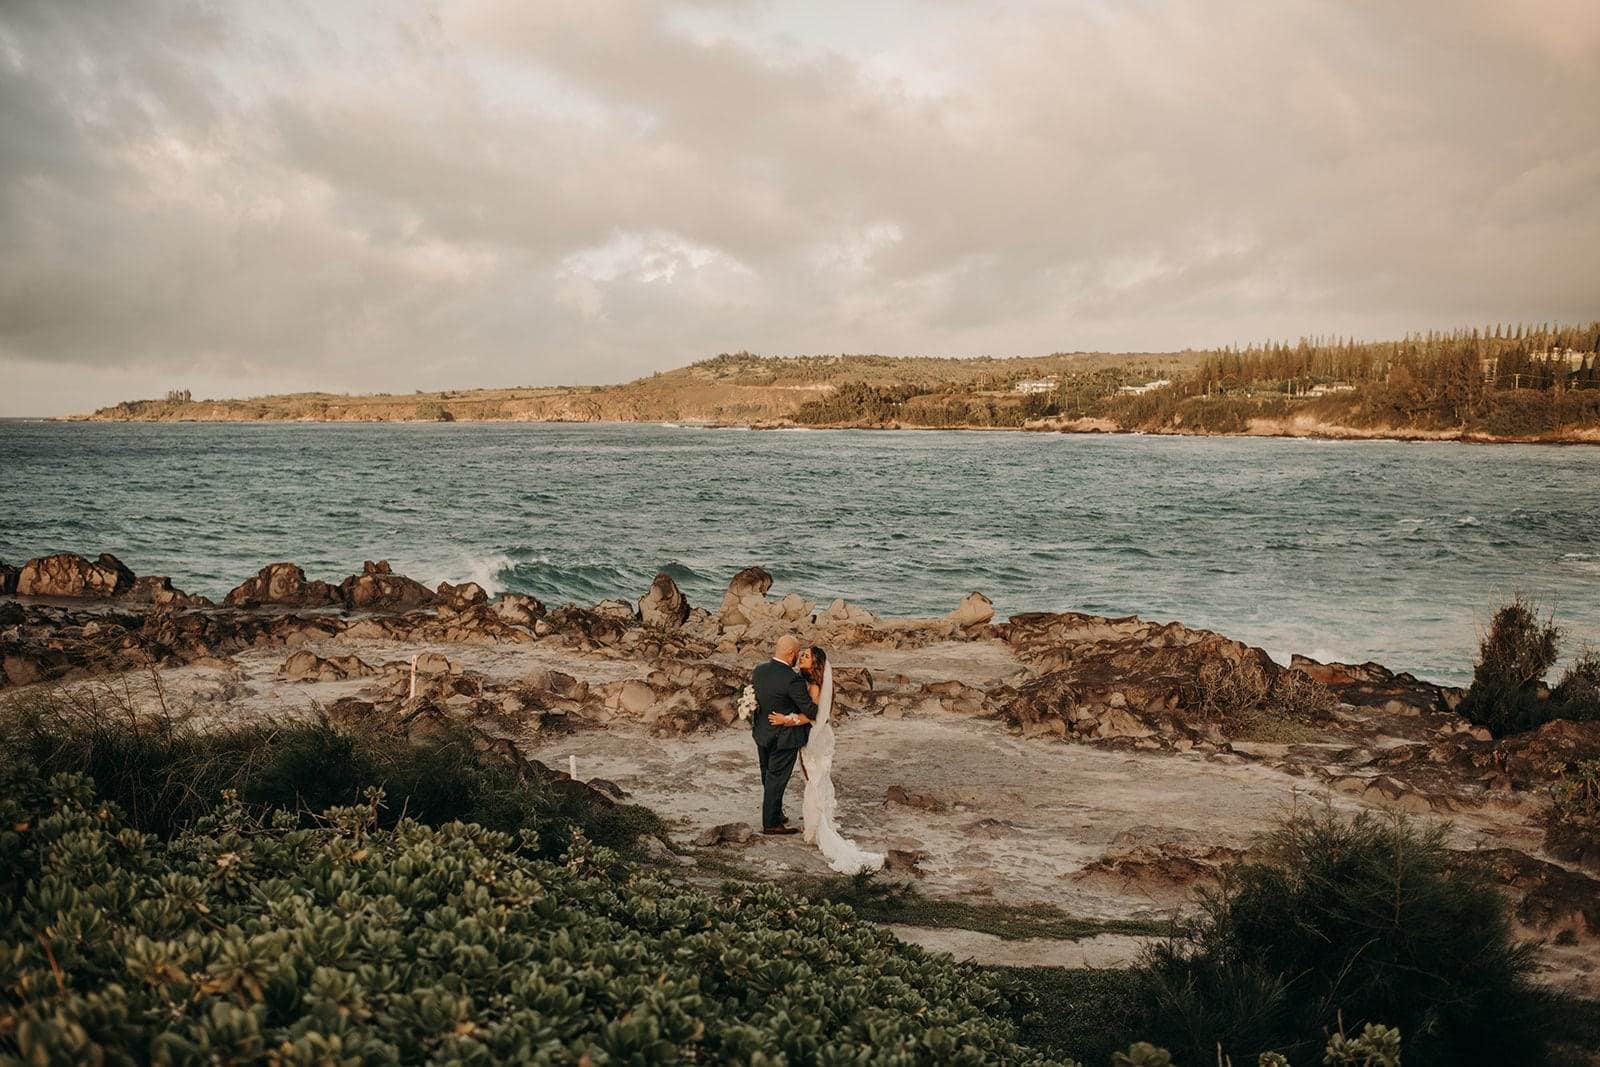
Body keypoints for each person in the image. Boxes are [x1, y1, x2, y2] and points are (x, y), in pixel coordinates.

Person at [795, 645, 883, 874]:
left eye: (806, 656)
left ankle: (817, 828)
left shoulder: (814, 687)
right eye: (801, 654)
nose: (801, 657)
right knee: (818, 779)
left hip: (814, 737)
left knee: (812, 780)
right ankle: (819, 824)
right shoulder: (822, 685)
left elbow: (811, 715)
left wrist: (788, 720)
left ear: (815, 664)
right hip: (824, 735)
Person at [748, 634, 816, 835]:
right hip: (784, 737)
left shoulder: (759, 671)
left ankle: (775, 813)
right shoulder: (792, 679)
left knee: (767, 775)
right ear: (791, 654)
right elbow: (811, 711)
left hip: (762, 733)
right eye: (797, 654)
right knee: (776, 779)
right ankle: (771, 824)